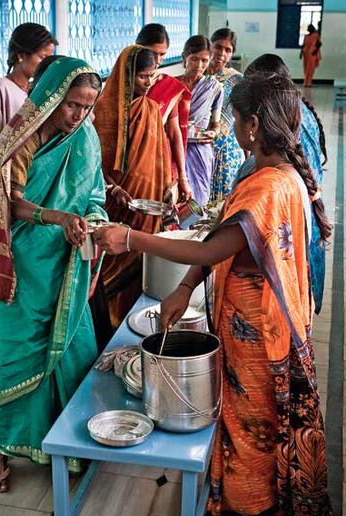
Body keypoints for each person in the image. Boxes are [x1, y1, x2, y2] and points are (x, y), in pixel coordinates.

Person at [93, 73, 335, 516]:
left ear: (253, 124)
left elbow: (215, 248)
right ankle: (238, 498)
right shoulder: (267, 170)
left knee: (255, 425)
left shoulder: (270, 185)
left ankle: (255, 514)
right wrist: (183, 290)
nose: (230, 126)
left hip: (261, 332)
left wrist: (131, 238)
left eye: (235, 118)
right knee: (246, 417)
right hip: (255, 324)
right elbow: (220, 241)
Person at [0, 57, 107, 491]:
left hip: (67, 262)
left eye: (87, 107)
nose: (78, 116)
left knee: (72, 350)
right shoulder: (19, 138)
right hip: (24, 265)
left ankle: (68, 446)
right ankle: (3, 447)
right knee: (19, 355)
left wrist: (92, 218)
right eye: (71, 106)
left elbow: (95, 192)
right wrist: (55, 216)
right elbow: (7, 205)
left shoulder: (84, 138)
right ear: (51, 97)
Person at [237, 53, 327, 314]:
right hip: (305, 214)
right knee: (299, 294)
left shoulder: (272, 176)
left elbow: (212, 252)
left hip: (290, 222)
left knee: (288, 295)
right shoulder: (293, 111)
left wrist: (132, 239)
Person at [93, 45, 171, 327]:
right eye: (142, 77)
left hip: (146, 204)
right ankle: (109, 322)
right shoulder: (103, 111)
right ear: (126, 75)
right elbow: (96, 164)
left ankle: (133, 318)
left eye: (152, 76)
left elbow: (160, 155)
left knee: (140, 262)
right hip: (116, 203)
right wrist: (113, 188)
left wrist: (166, 189)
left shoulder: (150, 108)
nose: (148, 83)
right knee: (115, 257)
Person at [0, 22, 57, 163]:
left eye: (50, 58)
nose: (47, 64)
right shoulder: (0, 88)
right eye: (43, 57)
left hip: (35, 173)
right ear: (21, 56)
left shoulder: (39, 90)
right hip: (9, 174)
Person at [136, 24, 192, 201]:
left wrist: (182, 176)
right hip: (128, 169)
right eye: (153, 53)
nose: (158, 60)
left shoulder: (167, 87)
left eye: (162, 54)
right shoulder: (120, 89)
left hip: (159, 164)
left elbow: (174, 132)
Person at [178, 35, 223, 207]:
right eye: (194, 59)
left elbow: (215, 124)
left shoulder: (215, 88)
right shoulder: (172, 85)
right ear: (185, 58)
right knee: (177, 198)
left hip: (200, 150)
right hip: (176, 148)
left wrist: (214, 133)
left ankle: (195, 232)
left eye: (204, 61)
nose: (199, 66)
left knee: (198, 200)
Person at [207, 28, 244, 201]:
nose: (222, 53)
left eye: (228, 50)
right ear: (210, 46)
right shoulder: (198, 75)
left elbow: (245, 116)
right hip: (201, 145)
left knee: (223, 202)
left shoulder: (237, 80)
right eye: (218, 47)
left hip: (227, 151)